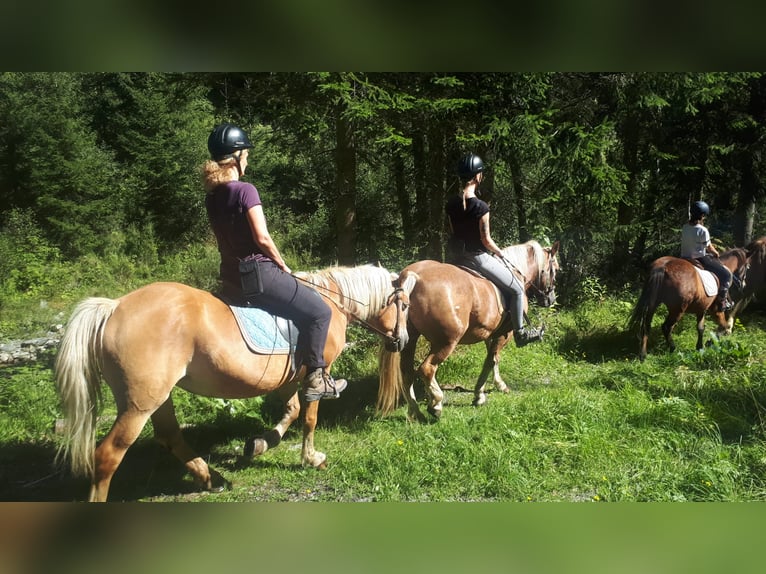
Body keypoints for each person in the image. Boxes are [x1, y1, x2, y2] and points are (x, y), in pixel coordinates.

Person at [203, 122, 347, 401]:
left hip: (231, 277)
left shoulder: (212, 197)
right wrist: (283, 265)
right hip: (260, 274)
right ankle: (317, 377)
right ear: (236, 157)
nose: (248, 159)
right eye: (246, 154)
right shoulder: (246, 191)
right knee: (320, 311)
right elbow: (263, 238)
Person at [445, 153, 543, 347]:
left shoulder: (451, 204)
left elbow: (453, 232)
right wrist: (500, 253)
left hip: (456, 257)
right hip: (478, 258)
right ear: (477, 177)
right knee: (516, 288)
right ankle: (521, 333)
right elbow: (486, 240)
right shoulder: (481, 207)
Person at [681, 200, 733, 311]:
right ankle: (722, 302)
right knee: (726, 275)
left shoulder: (685, 227)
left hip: (684, 257)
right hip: (699, 258)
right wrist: (716, 253)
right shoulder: (703, 230)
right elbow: (708, 247)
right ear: (702, 215)